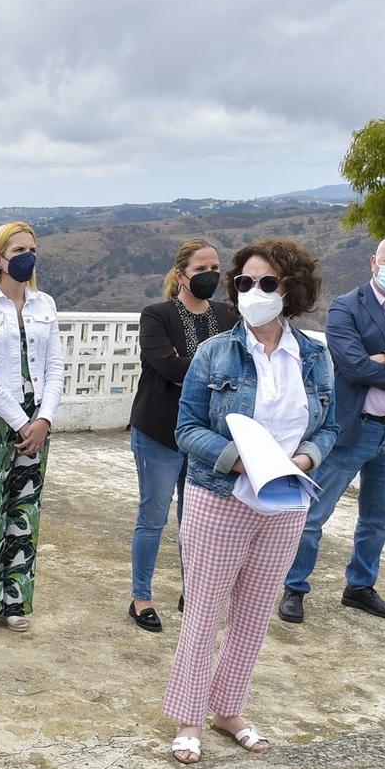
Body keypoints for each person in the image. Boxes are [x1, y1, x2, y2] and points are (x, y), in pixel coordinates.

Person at [164, 237, 336, 765]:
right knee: (204, 611)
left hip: (285, 501)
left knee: (255, 613)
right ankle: (189, 716)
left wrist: (303, 461)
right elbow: (186, 428)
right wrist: (240, 460)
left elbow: (328, 426)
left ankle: (229, 709)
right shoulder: (215, 352)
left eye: (266, 283)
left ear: (291, 290)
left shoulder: (313, 356)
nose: (252, 292)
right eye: (244, 283)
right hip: (220, 497)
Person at [280, 234, 385, 624]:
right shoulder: (346, 307)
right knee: (313, 515)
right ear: (374, 261)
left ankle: (360, 587)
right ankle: (294, 587)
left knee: (377, 518)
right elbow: (355, 366)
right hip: (353, 429)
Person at [127, 239, 238, 632]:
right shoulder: (156, 315)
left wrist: (193, 366)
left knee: (195, 522)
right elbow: (168, 367)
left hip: (205, 437)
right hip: (158, 431)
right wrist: (213, 370)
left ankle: (195, 592)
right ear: (180, 275)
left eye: (216, 268)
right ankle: (142, 598)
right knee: (153, 518)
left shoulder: (228, 315)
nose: (210, 275)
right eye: (201, 269)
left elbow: (237, 366)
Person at [0, 221, 65, 633]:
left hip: (36, 416)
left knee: (27, 509)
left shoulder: (46, 305)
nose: (27, 256)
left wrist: (43, 419)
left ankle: (16, 603)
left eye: (32, 248)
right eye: (18, 249)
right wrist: (24, 422)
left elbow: (56, 366)